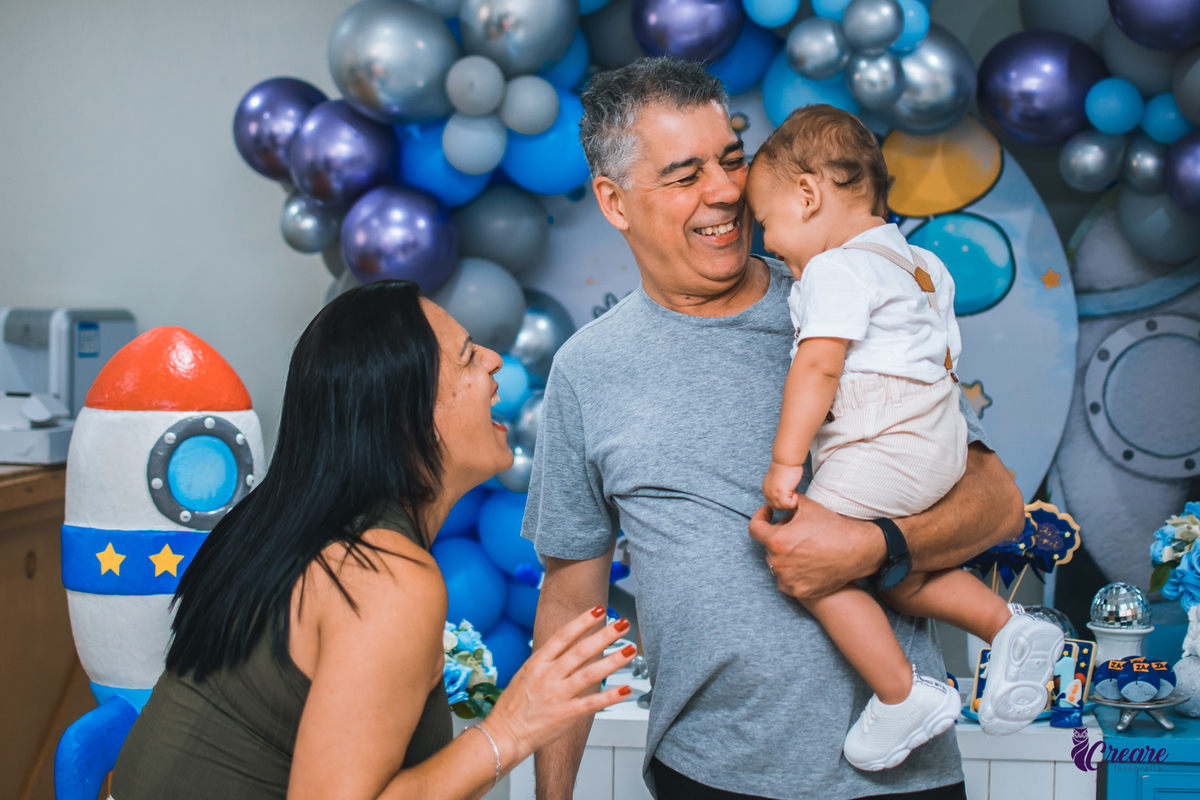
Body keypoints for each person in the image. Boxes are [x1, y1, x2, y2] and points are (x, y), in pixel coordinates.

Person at [522, 57, 1026, 800]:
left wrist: (875, 546)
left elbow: (998, 503)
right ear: (614, 201)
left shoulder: (844, 302)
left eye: (732, 158)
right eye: (686, 174)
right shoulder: (586, 371)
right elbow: (571, 603)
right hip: (707, 774)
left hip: (902, 781)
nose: (728, 190)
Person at [110, 280, 638, 800]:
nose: (495, 361)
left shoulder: (292, 525)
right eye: (466, 357)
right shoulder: (381, 575)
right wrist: (512, 727)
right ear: (407, 414)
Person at [747, 105, 1064, 772]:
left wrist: (786, 461)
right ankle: (1008, 628)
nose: (769, 244)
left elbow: (820, 365)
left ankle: (901, 694)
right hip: (941, 441)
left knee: (809, 561)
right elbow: (938, 360)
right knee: (900, 572)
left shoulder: (835, 270)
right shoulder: (922, 267)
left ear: (808, 194)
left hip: (883, 437)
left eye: (766, 222)